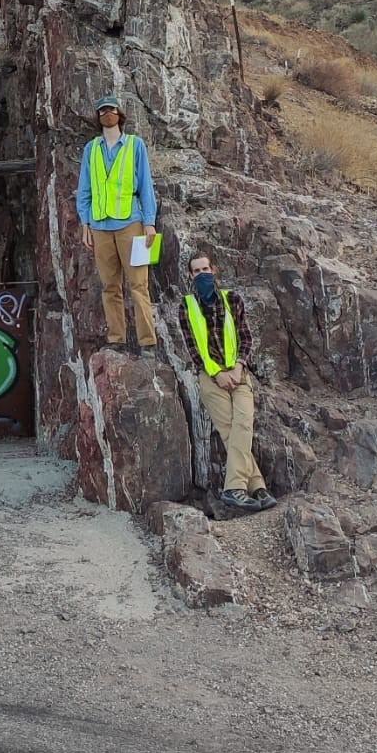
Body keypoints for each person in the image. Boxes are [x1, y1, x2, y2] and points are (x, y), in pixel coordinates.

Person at [179, 251, 277, 514]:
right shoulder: (186, 306)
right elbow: (194, 349)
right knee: (230, 431)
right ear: (190, 275)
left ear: (214, 270)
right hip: (211, 377)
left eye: (205, 269)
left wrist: (238, 367)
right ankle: (258, 487)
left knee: (243, 424)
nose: (202, 274)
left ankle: (234, 488)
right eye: (197, 271)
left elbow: (246, 337)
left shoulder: (232, 299)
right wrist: (217, 373)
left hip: (238, 373)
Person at [76, 93, 158, 354]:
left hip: (131, 223)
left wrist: (149, 222)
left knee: (138, 285)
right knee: (109, 287)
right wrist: (85, 223)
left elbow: (145, 186)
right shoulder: (91, 149)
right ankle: (117, 339)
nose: (106, 114)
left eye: (111, 109)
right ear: (97, 117)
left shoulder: (135, 145)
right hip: (100, 227)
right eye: (102, 110)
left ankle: (148, 342)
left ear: (119, 114)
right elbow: (84, 190)